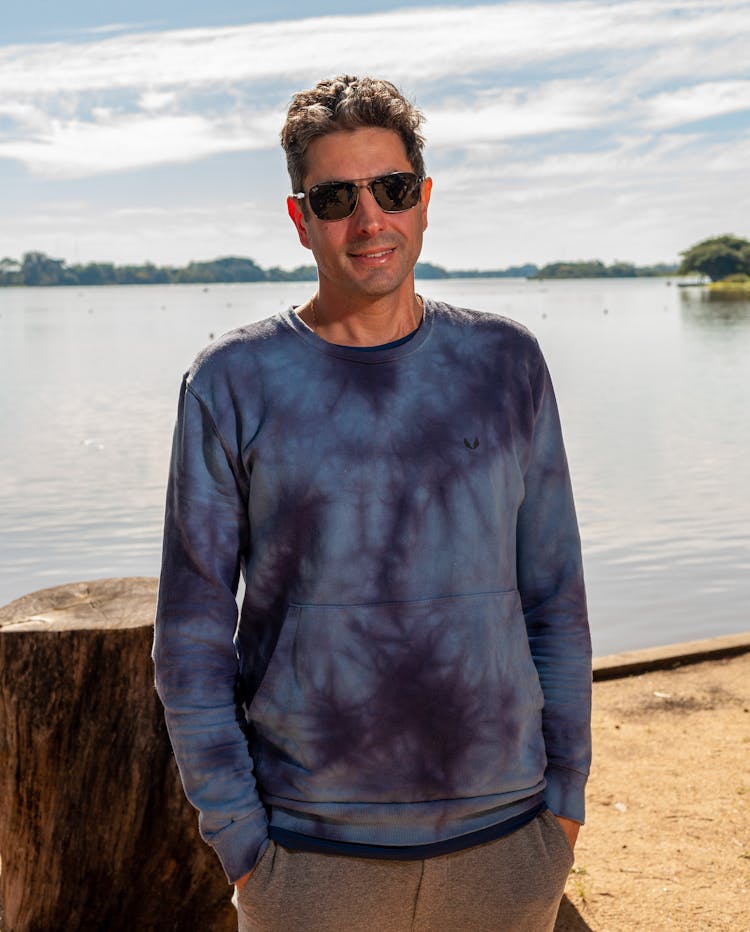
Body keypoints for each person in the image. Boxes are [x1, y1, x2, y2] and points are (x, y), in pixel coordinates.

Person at [153, 75, 591, 932]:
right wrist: (241, 840)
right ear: (300, 218)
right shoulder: (231, 382)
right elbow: (194, 635)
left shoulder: (507, 365)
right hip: (308, 859)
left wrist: (565, 805)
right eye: (335, 197)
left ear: (423, 201)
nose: (369, 221)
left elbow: (555, 600)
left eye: (391, 190)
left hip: (508, 846)